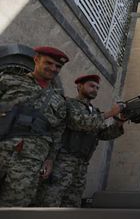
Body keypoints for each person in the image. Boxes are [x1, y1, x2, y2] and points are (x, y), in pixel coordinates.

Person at [35, 74, 125, 207]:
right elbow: (80, 122)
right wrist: (110, 113)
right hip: (63, 161)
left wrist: (120, 122)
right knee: (51, 200)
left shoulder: (95, 112)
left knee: (73, 203)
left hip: (82, 164)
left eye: (97, 88)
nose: (94, 89)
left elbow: (103, 134)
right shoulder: (69, 104)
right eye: (91, 86)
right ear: (79, 86)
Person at [0, 46, 69, 206]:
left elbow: (57, 132)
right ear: (36, 60)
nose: (53, 68)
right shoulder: (9, 80)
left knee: (15, 206)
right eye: (49, 63)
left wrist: (50, 160)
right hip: (2, 146)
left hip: (30, 161)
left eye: (58, 66)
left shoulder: (59, 100)